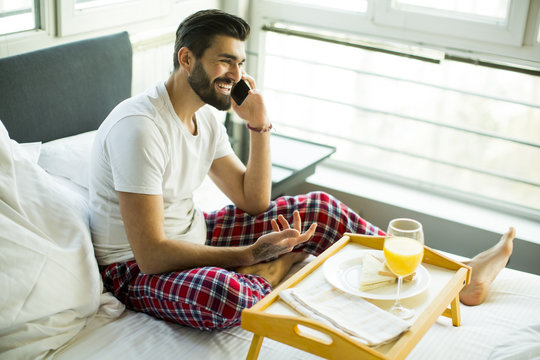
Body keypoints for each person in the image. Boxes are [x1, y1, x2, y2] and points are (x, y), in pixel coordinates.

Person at [89, 9, 515, 331]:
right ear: (186, 58)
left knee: (321, 210)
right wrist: (252, 256)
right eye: (225, 62)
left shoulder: (205, 116)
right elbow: (152, 255)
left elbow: (253, 200)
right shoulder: (140, 128)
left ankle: (455, 278)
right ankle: (268, 272)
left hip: (196, 233)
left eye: (240, 63)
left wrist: (258, 124)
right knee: (229, 295)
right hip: (135, 269)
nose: (237, 75)